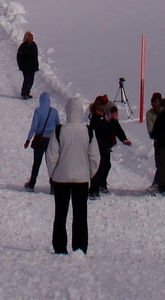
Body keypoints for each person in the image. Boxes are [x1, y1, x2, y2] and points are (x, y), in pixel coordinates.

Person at [46, 96, 100, 255]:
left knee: (60, 214)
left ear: (67, 111)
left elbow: (51, 156)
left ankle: (60, 246)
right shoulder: (88, 131)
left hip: (61, 178)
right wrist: (89, 173)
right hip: (81, 179)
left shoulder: (59, 130)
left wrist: (53, 174)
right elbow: (95, 157)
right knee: (80, 215)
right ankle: (80, 247)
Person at [90, 102, 131, 197]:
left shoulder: (110, 120)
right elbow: (107, 130)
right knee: (100, 168)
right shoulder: (97, 120)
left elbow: (118, 129)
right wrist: (113, 120)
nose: (114, 113)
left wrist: (124, 139)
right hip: (99, 146)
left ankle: (102, 184)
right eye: (112, 111)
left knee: (107, 166)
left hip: (106, 146)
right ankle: (94, 188)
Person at [24, 91, 60, 191]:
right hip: (51, 141)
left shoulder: (38, 111)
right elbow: (58, 126)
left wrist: (28, 139)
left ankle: (31, 184)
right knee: (51, 163)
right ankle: (53, 185)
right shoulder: (54, 111)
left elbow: (34, 127)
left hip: (40, 140)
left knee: (37, 163)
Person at [16, 31, 39, 99]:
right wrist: (21, 66)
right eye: (30, 36)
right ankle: (24, 93)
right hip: (25, 67)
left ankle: (27, 92)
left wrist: (36, 65)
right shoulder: (23, 46)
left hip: (32, 67)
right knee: (27, 80)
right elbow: (19, 57)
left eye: (32, 35)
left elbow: (35, 56)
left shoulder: (34, 45)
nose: (32, 37)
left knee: (31, 81)